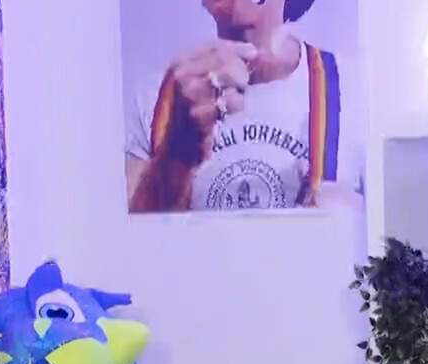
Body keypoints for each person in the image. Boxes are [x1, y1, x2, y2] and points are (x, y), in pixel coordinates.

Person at [123, 0, 363, 213]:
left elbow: (383, 231)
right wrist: (176, 156)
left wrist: (355, 222)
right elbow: (122, 239)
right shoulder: (156, 96)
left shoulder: (357, 89)